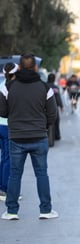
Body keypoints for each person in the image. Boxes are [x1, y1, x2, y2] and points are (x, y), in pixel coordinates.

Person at [0, 53, 58, 220]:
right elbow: (52, 115)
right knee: (41, 173)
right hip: (39, 137)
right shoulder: (44, 87)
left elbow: (2, 111)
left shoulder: (8, 87)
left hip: (16, 138)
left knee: (14, 174)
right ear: (35, 67)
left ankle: (11, 211)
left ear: (19, 66)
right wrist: (42, 127)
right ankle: (45, 210)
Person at [0, 63, 18, 201]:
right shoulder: (12, 87)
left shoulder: (2, 84)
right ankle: (5, 189)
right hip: (8, 126)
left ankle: (2, 186)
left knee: (4, 157)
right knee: (8, 158)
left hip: (1, 125)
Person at [47, 73, 63, 140]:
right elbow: (58, 97)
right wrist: (61, 106)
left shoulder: (45, 86)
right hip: (54, 106)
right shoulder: (55, 87)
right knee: (56, 120)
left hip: (45, 106)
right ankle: (57, 135)